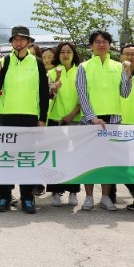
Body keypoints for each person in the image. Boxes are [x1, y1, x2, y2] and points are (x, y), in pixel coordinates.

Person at [0, 26, 49, 214]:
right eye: (15, 39)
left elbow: (43, 92)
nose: (18, 42)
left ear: (29, 42)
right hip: (7, 116)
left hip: (30, 116)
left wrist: (42, 119)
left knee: (27, 158)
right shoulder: (5, 61)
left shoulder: (37, 62)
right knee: (5, 157)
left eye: (22, 39)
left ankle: (27, 198)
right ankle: (5, 197)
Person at [76, 30, 133, 211]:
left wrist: (127, 74)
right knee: (89, 159)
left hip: (113, 119)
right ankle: (89, 197)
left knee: (108, 159)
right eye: (97, 41)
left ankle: (106, 197)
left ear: (109, 45)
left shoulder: (118, 66)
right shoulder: (83, 67)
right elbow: (82, 94)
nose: (101, 44)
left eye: (104, 41)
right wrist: (92, 117)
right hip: (91, 120)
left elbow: (124, 93)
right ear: (91, 45)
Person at [45, 41, 82, 206]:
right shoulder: (51, 73)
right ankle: (55, 191)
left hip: (75, 120)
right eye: (62, 52)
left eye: (69, 52)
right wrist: (54, 88)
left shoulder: (81, 71)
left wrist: (71, 114)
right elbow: (47, 95)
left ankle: (73, 191)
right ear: (58, 55)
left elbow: (85, 96)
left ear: (74, 54)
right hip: (55, 120)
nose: (65, 55)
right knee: (54, 157)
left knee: (74, 157)